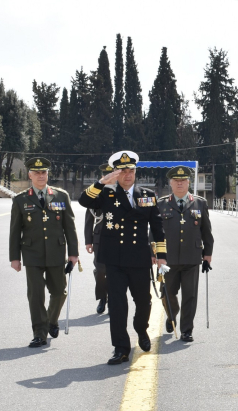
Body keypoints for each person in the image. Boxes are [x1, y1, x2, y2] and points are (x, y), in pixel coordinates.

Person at [79, 151, 167, 364]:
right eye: (123, 171)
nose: (128, 175)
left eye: (132, 171)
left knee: (144, 302)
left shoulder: (147, 195)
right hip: (114, 259)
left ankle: (141, 329)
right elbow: (83, 201)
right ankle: (121, 348)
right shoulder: (106, 195)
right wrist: (101, 182)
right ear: (116, 173)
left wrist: (162, 256)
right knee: (118, 305)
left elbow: (157, 227)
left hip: (139, 259)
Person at [9, 157, 79, 348]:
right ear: (30, 175)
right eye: (37, 173)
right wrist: (15, 257)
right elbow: (15, 231)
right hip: (32, 254)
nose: (41, 176)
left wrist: (74, 253)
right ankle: (39, 333)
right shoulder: (21, 199)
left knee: (59, 292)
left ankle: (51, 320)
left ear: (48, 174)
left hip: (56, 252)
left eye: (44, 172)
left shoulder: (60, 196)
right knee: (36, 295)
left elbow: (69, 227)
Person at [157, 165, 214, 343]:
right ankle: (172, 315)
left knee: (190, 295)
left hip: (192, 257)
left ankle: (186, 330)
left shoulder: (199, 203)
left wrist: (207, 255)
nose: (180, 183)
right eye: (176, 180)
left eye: (183, 180)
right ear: (171, 183)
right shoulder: (161, 204)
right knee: (167, 293)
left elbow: (207, 231)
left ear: (189, 182)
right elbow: (154, 231)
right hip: (168, 258)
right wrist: (155, 253)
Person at [84, 163, 113, 314]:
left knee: (116, 271)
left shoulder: (123, 192)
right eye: (105, 176)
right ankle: (103, 297)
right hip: (100, 237)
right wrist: (88, 241)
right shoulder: (95, 193)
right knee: (100, 270)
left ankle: (114, 298)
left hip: (118, 239)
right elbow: (89, 218)